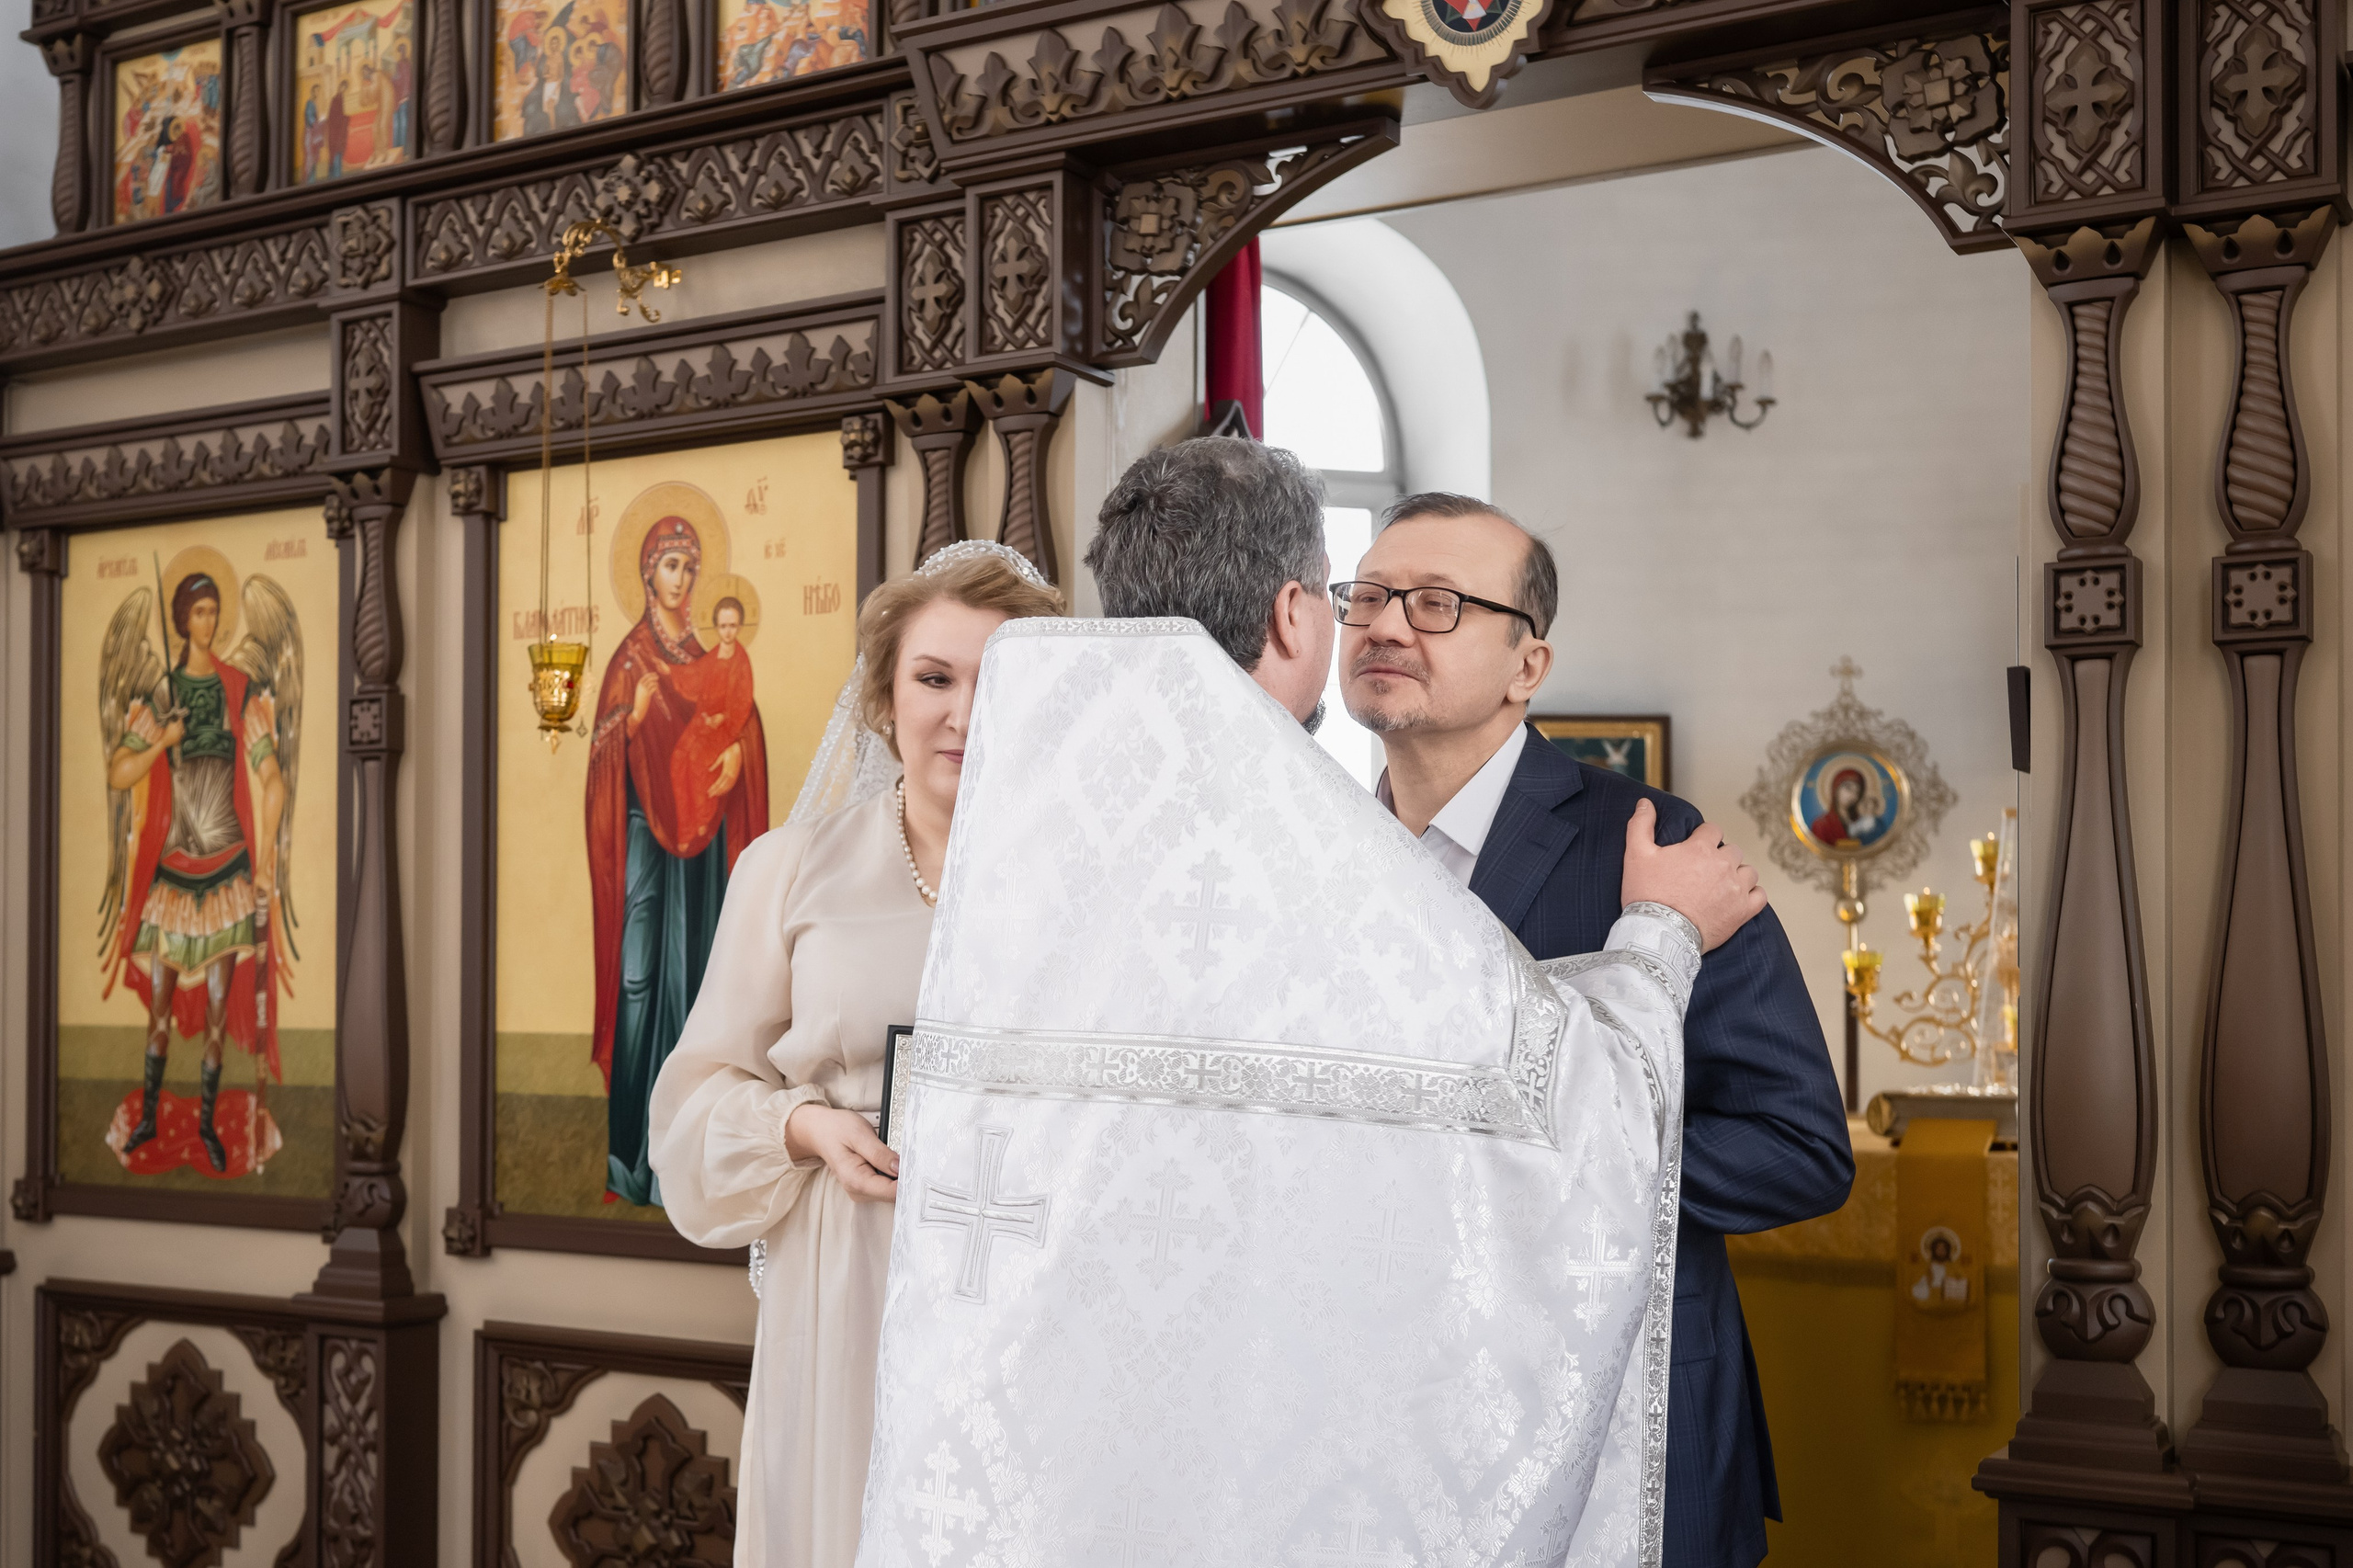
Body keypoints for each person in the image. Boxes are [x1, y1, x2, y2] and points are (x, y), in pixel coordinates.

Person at [1336, 491, 1854, 1568]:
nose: (1385, 625)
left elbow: (1799, 1146)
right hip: (1379, 1423)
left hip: (1630, 1422)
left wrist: (1533, 1158)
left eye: (1436, 603)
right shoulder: (1319, 856)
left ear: (1528, 667)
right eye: (1368, 596)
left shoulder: (1650, 846)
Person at [652, 542, 1063, 1568]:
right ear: (884, 698)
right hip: (845, 1278)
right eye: (934, 678)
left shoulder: (1080, 884)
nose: (964, 713)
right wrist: (802, 1124)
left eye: (999, 679)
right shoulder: (790, 869)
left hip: (1032, 1276)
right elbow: (691, 1108)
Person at [585, 514, 770, 1206]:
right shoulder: (631, 660)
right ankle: (632, 1154)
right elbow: (605, 750)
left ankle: (687, 1163)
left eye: (691, 568)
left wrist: (738, 752)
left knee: (694, 981)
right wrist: (628, 720)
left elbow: (738, 718)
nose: (682, 579)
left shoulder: (705, 655)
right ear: (647, 574)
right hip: (642, 833)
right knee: (638, 985)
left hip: (701, 841)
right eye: (672, 566)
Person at [105, 573, 288, 1174]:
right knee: (157, 1011)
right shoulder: (162, 694)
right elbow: (120, 772)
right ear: (183, 619)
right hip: (174, 874)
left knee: (214, 1013)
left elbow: (269, 777)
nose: (207, 622)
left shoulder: (239, 691)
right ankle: (153, 1116)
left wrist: (265, 867)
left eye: (214, 612)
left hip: (227, 872)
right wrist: (164, 741)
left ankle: (208, 1125)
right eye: (198, 611)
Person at [665, 596, 757, 850]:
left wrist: (723, 718)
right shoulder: (714, 655)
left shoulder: (741, 661)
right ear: (716, 627)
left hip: (725, 729)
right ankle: (686, 824)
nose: (727, 632)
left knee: (697, 762)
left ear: (738, 627)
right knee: (677, 760)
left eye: (732, 626)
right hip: (701, 723)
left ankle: (703, 820)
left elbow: (742, 703)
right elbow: (693, 675)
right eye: (723, 626)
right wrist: (669, 672)